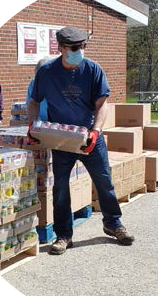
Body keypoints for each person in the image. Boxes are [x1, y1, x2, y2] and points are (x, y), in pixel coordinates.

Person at [28, 26, 135, 255]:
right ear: (61, 48)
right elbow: (34, 102)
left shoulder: (93, 70)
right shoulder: (47, 72)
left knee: (104, 180)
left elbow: (102, 104)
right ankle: (64, 235)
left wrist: (96, 131)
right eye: (75, 47)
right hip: (62, 141)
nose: (80, 51)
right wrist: (33, 125)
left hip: (89, 137)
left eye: (83, 46)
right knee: (60, 188)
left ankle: (113, 223)